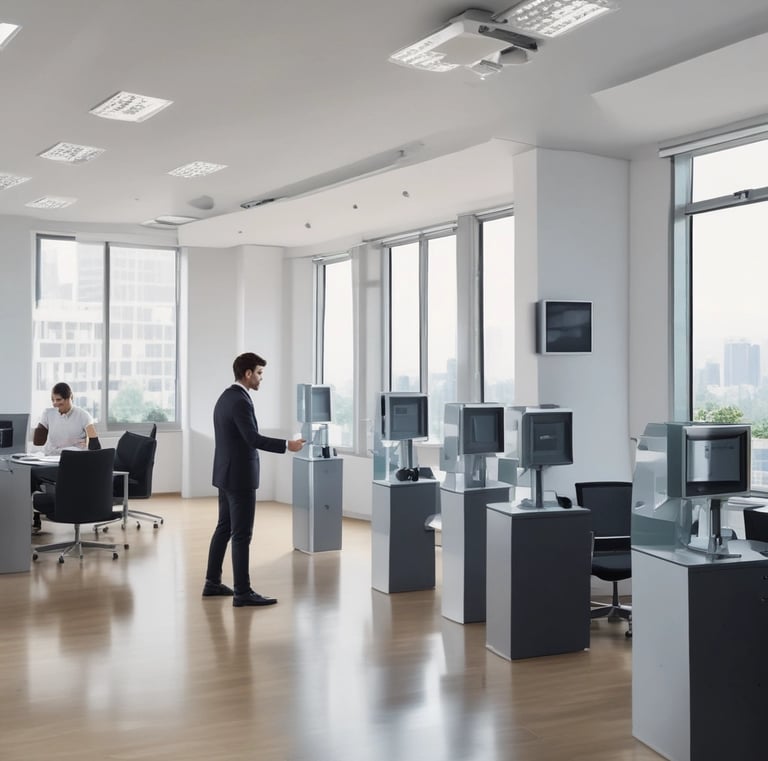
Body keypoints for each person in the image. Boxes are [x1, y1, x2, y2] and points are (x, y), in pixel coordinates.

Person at [203, 352, 305, 607]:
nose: (261, 378)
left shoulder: (226, 397)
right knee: (241, 535)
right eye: (259, 373)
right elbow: (253, 438)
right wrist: (287, 445)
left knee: (224, 529)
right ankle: (242, 592)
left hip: (225, 474)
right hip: (239, 478)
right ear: (247, 373)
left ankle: (212, 583)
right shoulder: (239, 401)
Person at [30, 382, 101, 529]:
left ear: (70, 398)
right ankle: (33, 512)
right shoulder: (48, 413)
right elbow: (38, 441)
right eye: (53, 400)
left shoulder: (83, 415)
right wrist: (40, 426)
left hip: (71, 461)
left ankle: (53, 509)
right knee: (29, 474)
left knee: (40, 475)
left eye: (59, 400)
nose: (56, 404)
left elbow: (95, 445)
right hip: (50, 458)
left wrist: (86, 444)